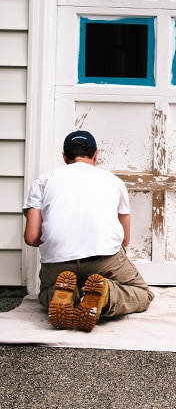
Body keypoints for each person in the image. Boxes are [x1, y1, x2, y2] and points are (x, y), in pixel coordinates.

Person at [23, 130, 154, 332]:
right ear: (95, 154)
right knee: (141, 293)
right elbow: (125, 240)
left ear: (65, 157)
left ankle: (66, 294)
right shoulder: (113, 181)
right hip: (104, 260)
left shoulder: (43, 180)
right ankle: (106, 295)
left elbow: (31, 238)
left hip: (58, 264)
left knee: (46, 292)